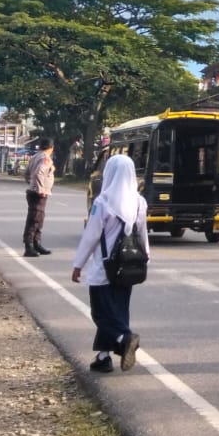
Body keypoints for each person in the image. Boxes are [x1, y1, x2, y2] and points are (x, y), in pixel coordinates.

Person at [70, 153, 148, 374]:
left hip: (104, 268)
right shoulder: (140, 202)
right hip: (128, 267)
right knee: (118, 310)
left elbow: (91, 236)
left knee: (101, 313)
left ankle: (125, 338)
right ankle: (103, 357)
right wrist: (145, 258)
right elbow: (142, 234)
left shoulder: (102, 202)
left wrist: (78, 264)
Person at [23, 138, 55, 258]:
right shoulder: (45, 158)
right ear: (51, 148)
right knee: (34, 219)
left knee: (39, 218)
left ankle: (37, 243)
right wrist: (40, 189)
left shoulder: (35, 156)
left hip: (33, 191)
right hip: (38, 193)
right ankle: (29, 246)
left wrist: (31, 183)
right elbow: (38, 173)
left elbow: (27, 173)